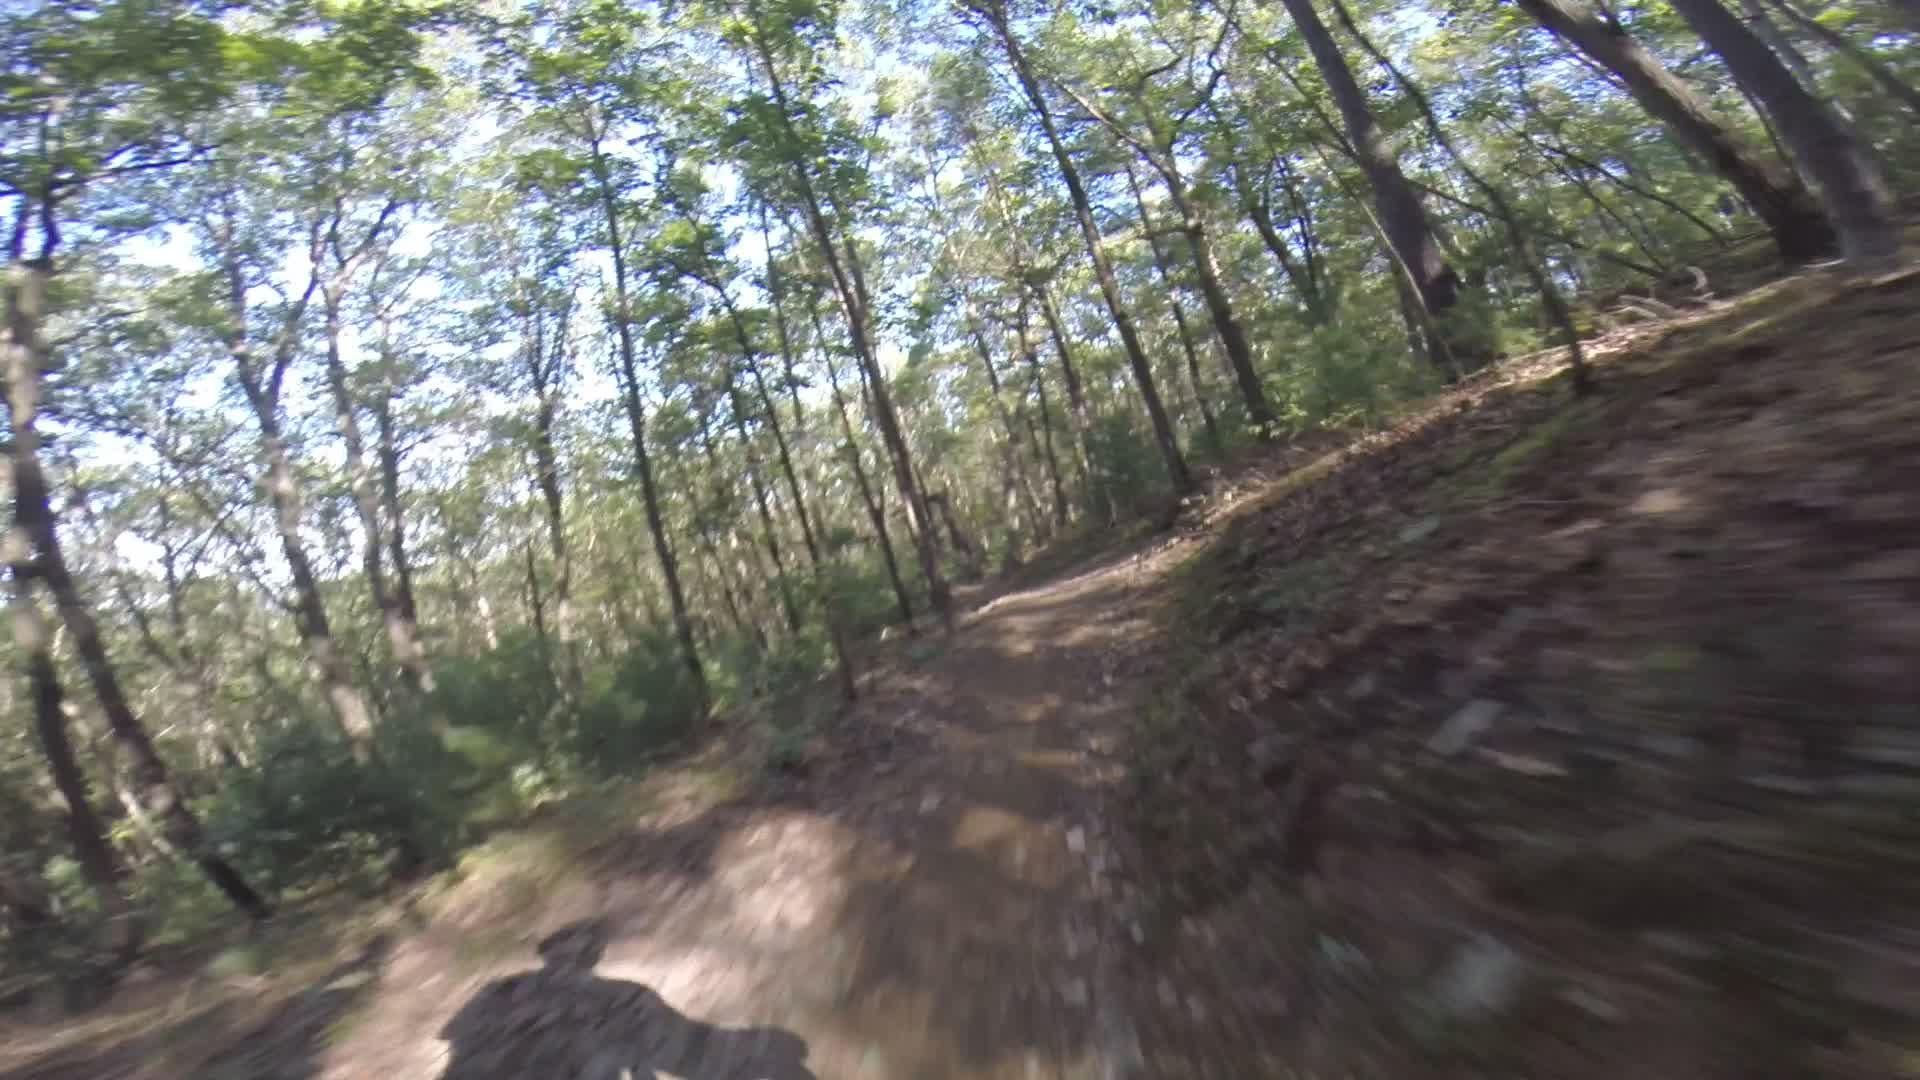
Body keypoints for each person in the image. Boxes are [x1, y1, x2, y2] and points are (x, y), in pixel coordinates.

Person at [438, 919, 816, 1079]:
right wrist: (768, 1049)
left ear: (546, 954)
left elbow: (455, 1049)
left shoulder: (496, 994)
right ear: (594, 955)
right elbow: (699, 1056)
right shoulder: (618, 999)